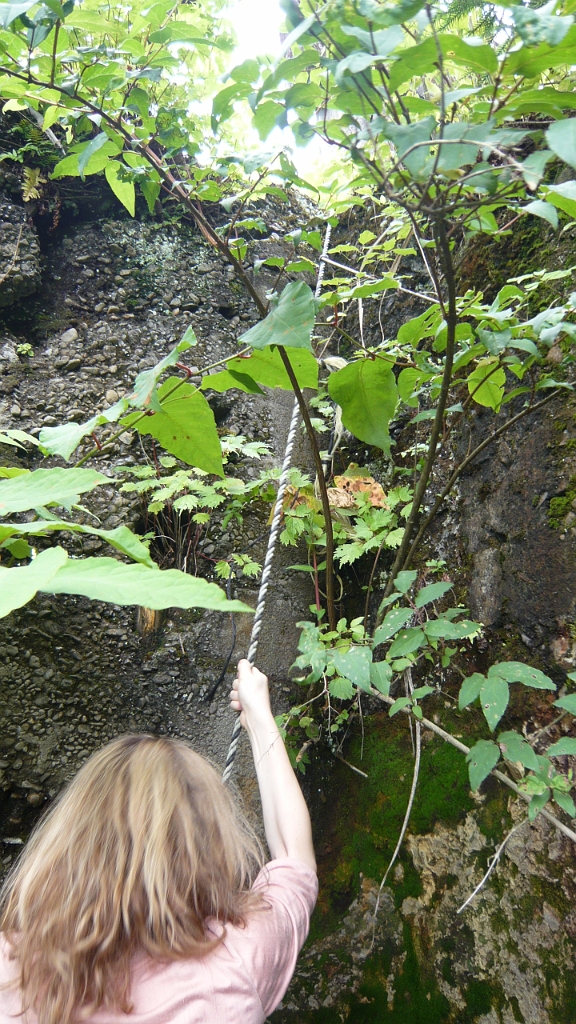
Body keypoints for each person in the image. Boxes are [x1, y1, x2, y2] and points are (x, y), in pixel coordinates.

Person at [0, 659, 317, 1024]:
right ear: (204, 846)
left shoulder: (14, 968)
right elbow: (295, 862)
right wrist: (260, 720)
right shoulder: (235, 965)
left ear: (71, 840)